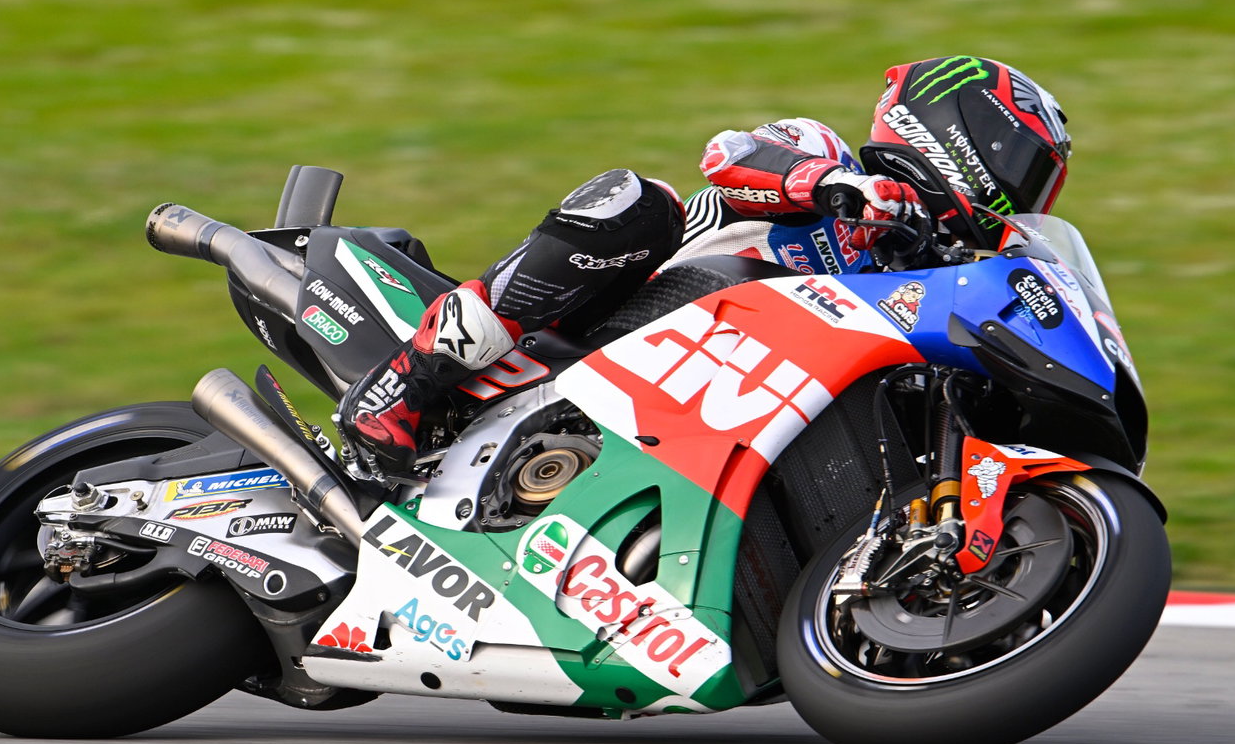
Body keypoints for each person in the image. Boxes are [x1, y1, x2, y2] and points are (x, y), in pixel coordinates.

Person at [338, 56, 1072, 475]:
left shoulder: (924, 279)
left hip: (710, 417)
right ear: (957, 131)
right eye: (1018, 165)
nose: (1017, 191)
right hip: (616, 328)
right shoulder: (828, 154)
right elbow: (727, 156)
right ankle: (403, 388)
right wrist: (831, 187)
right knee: (639, 201)